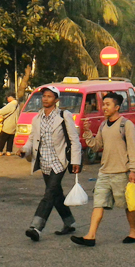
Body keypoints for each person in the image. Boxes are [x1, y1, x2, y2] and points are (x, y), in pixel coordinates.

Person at [71, 92, 135, 247]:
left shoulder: (126, 125)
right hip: (104, 172)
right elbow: (96, 146)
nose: (104, 108)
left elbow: (132, 149)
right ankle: (90, 236)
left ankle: (133, 231)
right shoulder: (103, 125)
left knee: (128, 204)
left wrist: (133, 170)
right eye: (104, 104)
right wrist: (87, 133)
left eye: (108, 104)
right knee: (98, 203)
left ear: (117, 107)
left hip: (121, 173)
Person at [16, 86, 82, 242]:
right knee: (56, 194)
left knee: (49, 194)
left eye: (49, 96)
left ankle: (36, 227)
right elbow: (32, 140)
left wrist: (76, 161)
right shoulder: (37, 118)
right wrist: (24, 149)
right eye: (44, 96)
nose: (45, 99)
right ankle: (69, 222)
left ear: (56, 100)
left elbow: (74, 140)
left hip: (59, 161)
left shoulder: (64, 116)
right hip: (44, 162)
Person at [0, 92, 19, 156]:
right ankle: (8, 151)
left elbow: (4, 110)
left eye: (7, 98)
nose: (7, 99)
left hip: (8, 123)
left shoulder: (11, 104)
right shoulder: (18, 105)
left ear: (10, 97)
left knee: (2, 137)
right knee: (10, 138)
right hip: (14, 123)